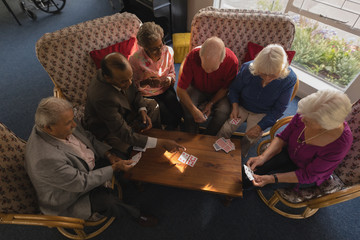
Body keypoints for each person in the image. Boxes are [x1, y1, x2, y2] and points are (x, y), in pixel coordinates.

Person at [25, 97, 158, 226]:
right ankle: (136, 215)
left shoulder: (63, 120)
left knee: (119, 155)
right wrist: (113, 168)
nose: (74, 125)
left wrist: (108, 155)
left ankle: (124, 181)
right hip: (72, 195)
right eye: (68, 123)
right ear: (48, 128)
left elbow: (88, 137)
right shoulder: (45, 159)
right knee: (109, 202)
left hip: (85, 166)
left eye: (72, 119)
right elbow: (82, 182)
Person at [244, 90, 353, 189]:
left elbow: (308, 175)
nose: (302, 119)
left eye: (309, 121)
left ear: (326, 126)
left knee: (265, 181)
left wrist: (273, 178)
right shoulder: (308, 112)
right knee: (257, 169)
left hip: (305, 173)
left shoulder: (340, 143)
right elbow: (283, 137)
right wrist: (263, 157)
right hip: (289, 152)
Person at [84, 52, 184, 157]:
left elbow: (135, 92)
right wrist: (161, 143)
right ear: (108, 78)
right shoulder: (102, 98)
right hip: (107, 128)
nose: (129, 83)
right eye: (124, 82)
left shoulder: (122, 75)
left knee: (153, 105)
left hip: (125, 111)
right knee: (127, 147)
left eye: (130, 78)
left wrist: (142, 110)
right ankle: (150, 148)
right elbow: (123, 133)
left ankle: (151, 139)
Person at [217, 44, 297, 157]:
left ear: (282, 70)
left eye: (273, 76)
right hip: (243, 105)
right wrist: (234, 106)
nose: (267, 79)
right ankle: (214, 148)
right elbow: (234, 89)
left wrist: (260, 126)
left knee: (252, 137)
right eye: (263, 74)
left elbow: (279, 110)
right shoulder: (248, 68)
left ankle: (240, 155)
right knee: (226, 128)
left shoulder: (289, 79)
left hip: (263, 112)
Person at [176, 36, 238, 136]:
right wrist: (193, 110)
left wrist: (211, 103)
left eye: (213, 69)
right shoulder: (192, 56)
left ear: (222, 60)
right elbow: (180, 89)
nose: (208, 72)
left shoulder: (232, 61)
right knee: (186, 106)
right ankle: (191, 133)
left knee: (224, 111)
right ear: (200, 55)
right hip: (197, 88)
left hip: (219, 92)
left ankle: (208, 137)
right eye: (204, 67)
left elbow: (225, 88)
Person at [129, 22, 183, 130]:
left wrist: (169, 79)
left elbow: (172, 72)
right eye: (154, 49)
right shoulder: (135, 60)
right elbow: (132, 86)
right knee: (168, 117)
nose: (160, 51)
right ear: (145, 47)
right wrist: (146, 82)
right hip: (148, 94)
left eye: (160, 45)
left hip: (165, 88)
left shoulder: (168, 51)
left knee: (179, 111)